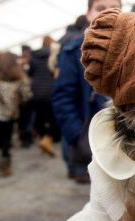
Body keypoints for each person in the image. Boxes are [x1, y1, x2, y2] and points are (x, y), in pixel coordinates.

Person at [52, 0, 121, 183]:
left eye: (115, 9)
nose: (108, 13)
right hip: (89, 144)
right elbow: (63, 97)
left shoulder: (130, 49)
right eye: (100, 9)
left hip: (121, 145)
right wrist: (77, 135)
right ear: (89, 13)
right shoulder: (73, 51)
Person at [29, 36, 60, 156]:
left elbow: (30, 73)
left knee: (40, 118)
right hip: (51, 89)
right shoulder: (54, 55)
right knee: (53, 117)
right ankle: (48, 138)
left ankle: (44, 139)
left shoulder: (33, 56)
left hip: (36, 91)